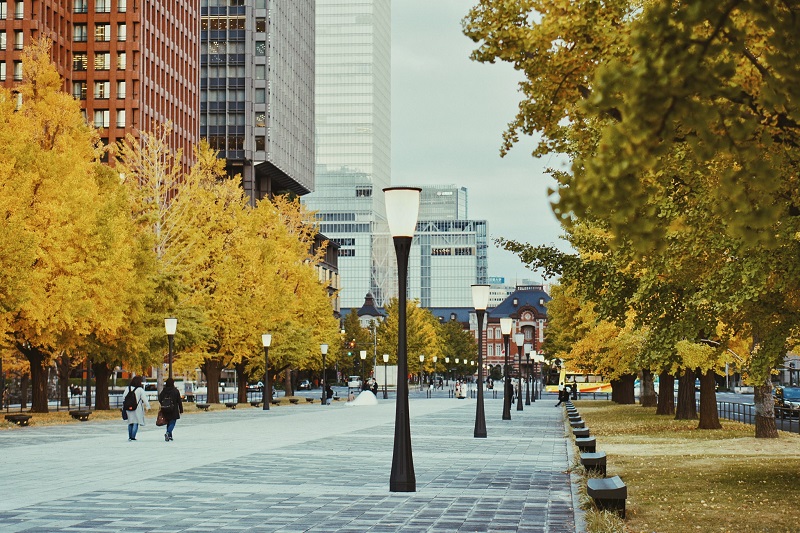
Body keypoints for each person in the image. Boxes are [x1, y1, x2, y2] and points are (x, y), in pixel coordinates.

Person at [123, 376, 150, 441]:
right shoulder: (140, 390)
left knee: (130, 422)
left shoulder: (128, 388)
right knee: (136, 422)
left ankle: (130, 436)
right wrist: (148, 406)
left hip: (128, 408)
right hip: (137, 408)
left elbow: (123, 397)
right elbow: (145, 399)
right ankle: (133, 437)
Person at [158, 377, 184, 442]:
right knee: (172, 422)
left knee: (168, 422)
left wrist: (163, 404)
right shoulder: (175, 391)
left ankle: (170, 436)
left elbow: (160, 398)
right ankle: (168, 432)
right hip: (173, 409)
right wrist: (181, 409)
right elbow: (179, 401)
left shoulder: (164, 391)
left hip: (165, 409)